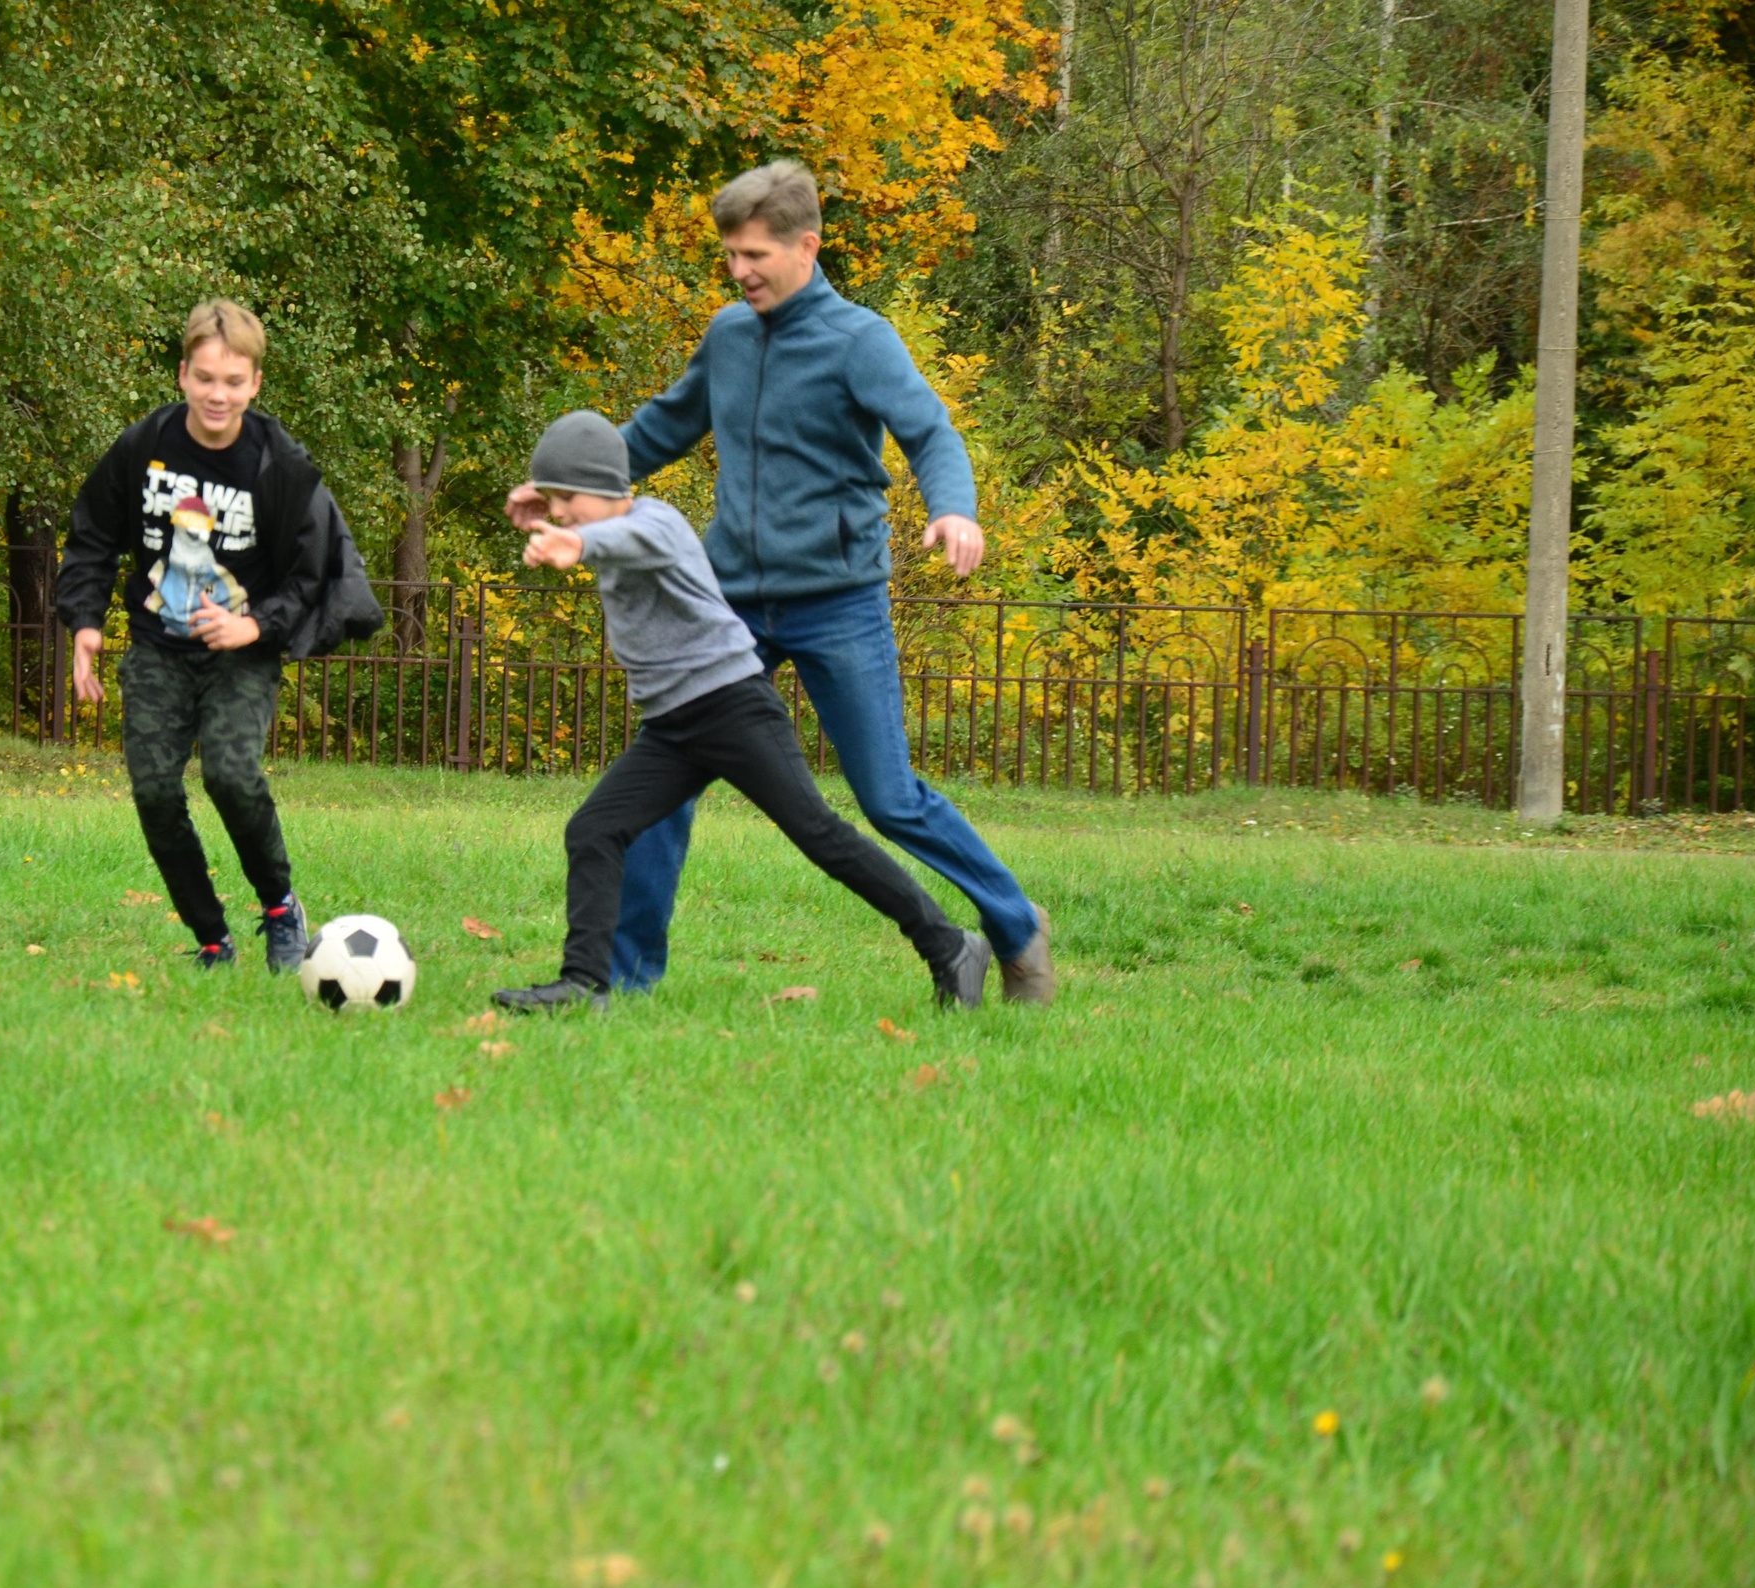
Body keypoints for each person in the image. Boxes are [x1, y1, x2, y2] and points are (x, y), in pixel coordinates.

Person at [508, 160, 1054, 1004]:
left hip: (839, 600)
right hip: (730, 608)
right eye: (730, 253)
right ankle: (620, 977)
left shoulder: (859, 340)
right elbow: (662, 426)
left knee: (888, 797)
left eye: (756, 253)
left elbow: (929, 430)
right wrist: (562, 489)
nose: (740, 270)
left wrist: (955, 509)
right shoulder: (728, 334)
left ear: (809, 245)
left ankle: (1012, 924)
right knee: (662, 789)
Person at [492, 411, 994, 1014]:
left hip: (732, 707)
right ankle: (584, 984)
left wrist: (575, 538)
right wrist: (552, 505)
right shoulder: (595, 520)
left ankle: (950, 947)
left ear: (607, 488)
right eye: (553, 499)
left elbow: (627, 539)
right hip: (674, 726)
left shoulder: (657, 523)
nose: (560, 510)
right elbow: (595, 527)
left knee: (821, 837)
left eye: (567, 498)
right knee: (594, 830)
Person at [56, 298, 379, 971]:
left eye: (234, 382)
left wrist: (253, 624)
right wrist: (86, 623)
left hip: (241, 655)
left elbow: (316, 575)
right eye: (206, 378)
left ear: (255, 383)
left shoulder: (279, 466)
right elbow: (91, 535)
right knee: (154, 792)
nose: (217, 395)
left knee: (231, 776)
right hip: (157, 650)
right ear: (182, 374)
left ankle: (280, 906)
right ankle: (211, 938)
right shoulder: (144, 446)